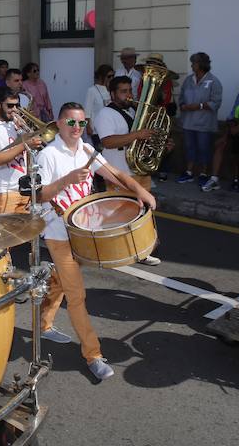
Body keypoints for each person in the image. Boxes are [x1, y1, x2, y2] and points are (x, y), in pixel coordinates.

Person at [37, 101, 156, 380]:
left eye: (81, 123)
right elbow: (40, 195)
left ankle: (43, 324)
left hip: (84, 231)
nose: (77, 128)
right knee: (77, 294)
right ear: (59, 123)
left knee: (63, 282)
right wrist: (67, 179)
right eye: (71, 122)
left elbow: (116, 175)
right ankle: (93, 354)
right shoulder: (48, 155)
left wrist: (141, 191)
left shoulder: (88, 150)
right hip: (58, 234)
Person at [93, 76, 161, 265]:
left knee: (143, 212)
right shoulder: (105, 114)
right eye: (123, 91)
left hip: (138, 170)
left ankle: (143, 249)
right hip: (118, 172)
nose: (128, 95)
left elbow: (138, 140)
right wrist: (137, 135)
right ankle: (116, 251)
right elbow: (108, 141)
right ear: (113, 94)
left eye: (129, 90)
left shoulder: (132, 111)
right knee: (119, 214)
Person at [0, 87, 42, 214]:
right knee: (5, 233)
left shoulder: (15, 124)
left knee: (24, 232)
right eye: (10, 106)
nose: (14, 110)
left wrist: (27, 135)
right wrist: (24, 144)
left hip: (23, 188)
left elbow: (28, 154)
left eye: (17, 105)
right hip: (1, 190)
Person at [176, 52, 222, 186]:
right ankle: (189, 172)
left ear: (201, 64)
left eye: (194, 63)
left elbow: (216, 102)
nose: (192, 65)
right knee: (189, 147)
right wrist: (183, 105)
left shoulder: (214, 81)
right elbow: (182, 98)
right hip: (188, 122)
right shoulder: (188, 80)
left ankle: (203, 173)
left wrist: (199, 106)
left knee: (204, 148)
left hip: (204, 124)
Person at [84, 65, 114, 135]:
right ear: (101, 76)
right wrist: (88, 127)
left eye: (113, 76)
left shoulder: (112, 90)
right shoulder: (92, 90)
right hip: (96, 129)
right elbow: (87, 112)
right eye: (109, 76)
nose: (111, 78)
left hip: (109, 127)